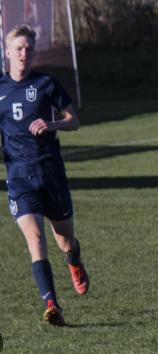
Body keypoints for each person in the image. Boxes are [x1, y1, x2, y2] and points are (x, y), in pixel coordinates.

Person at [1, 25, 88, 327]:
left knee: (65, 239)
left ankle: (74, 260)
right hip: (19, 178)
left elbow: (73, 121)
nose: (24, 53)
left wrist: (51, 125)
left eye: (29, 48)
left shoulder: (46, 84)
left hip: (50, 173)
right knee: (35, 240)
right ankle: (52, 304)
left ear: (34, 52)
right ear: (7, 52)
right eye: (19, 48)